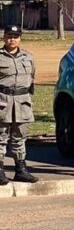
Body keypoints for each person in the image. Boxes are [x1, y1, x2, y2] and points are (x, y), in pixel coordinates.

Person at [0, 26, 38, 184]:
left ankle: (20, 169)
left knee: (20, 137)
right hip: (3, 100)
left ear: (20, 38)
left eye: (15, 36)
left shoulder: (28, 57)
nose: (12, 39)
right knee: (1, 137)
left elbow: (32, 78)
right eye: (9, 36)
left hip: (22, 102)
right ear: (4, 38)